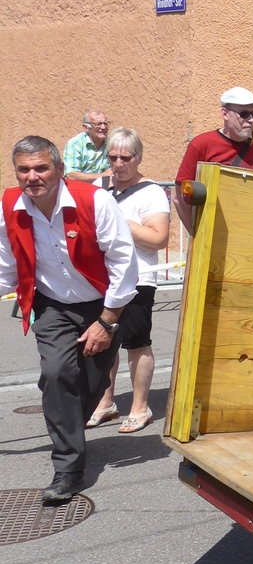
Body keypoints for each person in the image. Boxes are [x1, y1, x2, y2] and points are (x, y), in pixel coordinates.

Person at [0, 136, 137, 503]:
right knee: (58, 374)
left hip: (103, 304)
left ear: (59, 170)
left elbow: (124, 264)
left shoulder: (95, 200)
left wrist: (107, 322)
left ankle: (68, 426)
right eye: (24, 170)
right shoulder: (9, 205)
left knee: (92, 383)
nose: (33, 177)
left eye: (41, 167)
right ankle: (68, 468)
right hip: (52, 306)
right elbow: (6, 266)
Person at [87, 129, 170, 433]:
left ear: (139, 157)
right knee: (102, 342)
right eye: (113, 157)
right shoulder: (99, 187)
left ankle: (140, 407)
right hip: (101, 280)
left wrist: (118, 220)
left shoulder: (151, 192)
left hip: (138, 280)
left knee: (136, 344)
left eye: (126, 157)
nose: (119, 164)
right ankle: (105, 402)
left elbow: (158, 238)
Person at [174, 87, 253, 233]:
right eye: (244, 114)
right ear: (225, 114)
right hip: (209, 234)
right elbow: (179, 197)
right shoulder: (202, 144)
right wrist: (197, 233)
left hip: (249, 235)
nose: (251, 120)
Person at [64, 109, 113, 183]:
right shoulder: (75, 144)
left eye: (105, 123)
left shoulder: (111, 144)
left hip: (102, 190)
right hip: (78, 190)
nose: (103, 127)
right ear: (86, 127)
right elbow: (71, 175)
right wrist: (103, 175)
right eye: (98, 124)